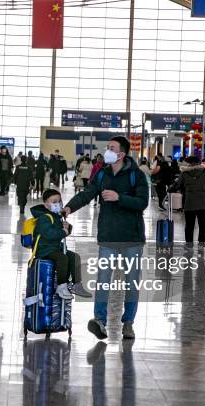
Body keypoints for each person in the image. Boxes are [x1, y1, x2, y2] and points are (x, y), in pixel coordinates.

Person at [63, 136, 149, 340]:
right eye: (107, 147)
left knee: (131, 282)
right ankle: (99, 320)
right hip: (108, 235)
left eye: (111, 148)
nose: (107, 151)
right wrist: (69, 207)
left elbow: (142, 202)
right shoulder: (102, 173)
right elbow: (87, 194)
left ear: (121, 154)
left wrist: (120, 198)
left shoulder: (136, 175)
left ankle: (128, 322)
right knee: (103, 280)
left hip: (131, 238)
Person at [30, 189, 92, 299]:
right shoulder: (44, 217)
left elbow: (62, 233)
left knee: (74, 257)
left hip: (54, 248)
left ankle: (76, 284)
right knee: (62, 258)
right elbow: (49, 234)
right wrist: (63, 232)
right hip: (44, 249)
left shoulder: (56, 216)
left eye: (59, 201)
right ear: (46, 204)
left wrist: (67, 228)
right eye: (54, 202)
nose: (57, 204)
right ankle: (61, 286)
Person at [169, 156, 205, 247]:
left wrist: (170, 188)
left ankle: (189, 243)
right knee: (203, 225)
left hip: (190, 203)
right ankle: (201, 243)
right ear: (199, 162)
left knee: (189, 225)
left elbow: (177, 185)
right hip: (204, 203)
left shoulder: (185, 173)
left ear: (190, 163)